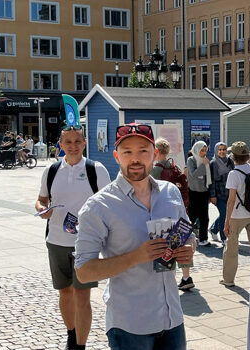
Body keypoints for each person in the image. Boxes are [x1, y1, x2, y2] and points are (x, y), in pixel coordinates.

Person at [74, 123, 195, 350]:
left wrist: (188, 248)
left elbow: (186, 233)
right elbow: (83, 271)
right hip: (130, 324)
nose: (135, 158)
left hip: (173, 319)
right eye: (127, 152)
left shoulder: (171, 193)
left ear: (155, 154)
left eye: (143, 151)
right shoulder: (99, 206)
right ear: (116, 156)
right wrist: (136, 256)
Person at [35, 126, 110, 350]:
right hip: (56, 240)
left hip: (85, 244)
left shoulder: (96, 169)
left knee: (82, 294)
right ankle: (71, 333)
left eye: (77, 141)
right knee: (65, 292)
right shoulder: (51, 170)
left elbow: (109, 204)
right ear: (60, 144)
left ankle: (80, 345)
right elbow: (40, 200)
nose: (73, 145)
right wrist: (42, 209)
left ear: (85, 143)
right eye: (68, 141)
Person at [150, 138, 195, 291]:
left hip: (163, 216)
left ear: (156, 151)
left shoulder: (156, 170)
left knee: (166, 251)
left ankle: (165, 284)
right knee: (182, 245)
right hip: (180, 212)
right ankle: (186, 276)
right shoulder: (175, 167)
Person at [221, 141, 250, 287]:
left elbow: (231, 200)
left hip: (237, 215)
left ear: (233, 157)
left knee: (231, 249)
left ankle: (228, 280)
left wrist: (226, 221)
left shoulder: (233, 174)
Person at [186, 141, 212, 247]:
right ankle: (185, 236)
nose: (204, 153)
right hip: (193, 192)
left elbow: (208, 177)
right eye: (202, 150)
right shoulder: (191, 160)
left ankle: (203, 239)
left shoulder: (205, 161)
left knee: (204, 217)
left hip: (204, 192)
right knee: (192, 216)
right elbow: (193, 174)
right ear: (197, 150)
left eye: (205, 150)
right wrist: (204, 165)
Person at [209, 142, 234, 244]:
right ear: (216, 150)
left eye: (224, 149)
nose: (222, 151)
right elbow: (211, 181)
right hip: (219, 194)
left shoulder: (230, 161)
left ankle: (214, 229)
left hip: (230, 193)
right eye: (220, 149)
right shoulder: (213, 163)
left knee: (227, 214)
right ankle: (224, 238)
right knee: (224, 214)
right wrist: (213, 195)